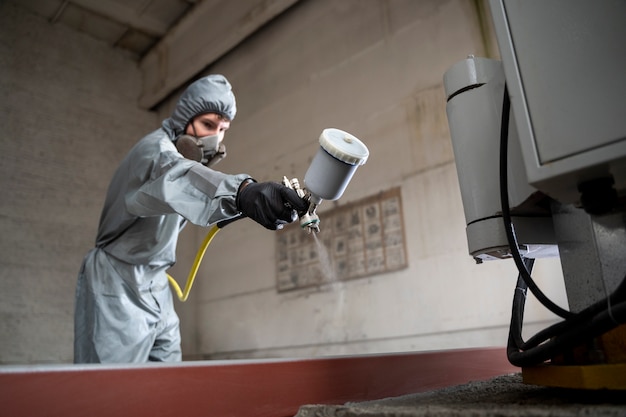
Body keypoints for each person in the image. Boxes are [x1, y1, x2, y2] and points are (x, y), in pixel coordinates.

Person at [74, 74, 308, 363]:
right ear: (185, 119)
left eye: (223, 129)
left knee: (168, 385)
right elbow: (176, 176)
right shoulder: (155, 152)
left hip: (156, 283)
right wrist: (242, 193)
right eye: (208, 125)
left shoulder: (182, 160)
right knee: (112, 394)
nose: (215, 138)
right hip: (119, 282)